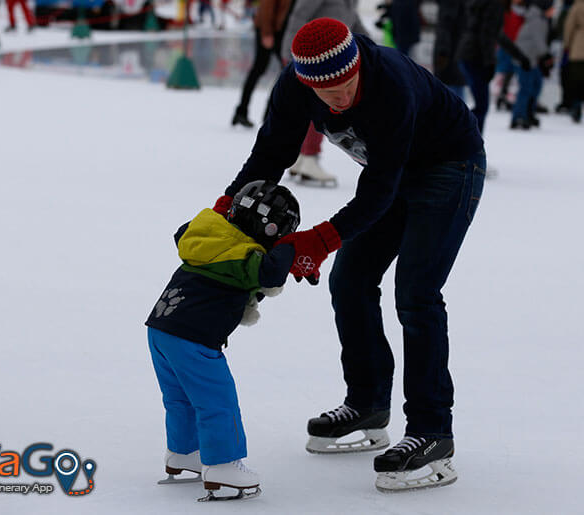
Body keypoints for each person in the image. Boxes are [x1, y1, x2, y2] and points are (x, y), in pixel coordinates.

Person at [211, 18, 485, 492]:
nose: (337, 97)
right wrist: (225, 211)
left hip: (449, 166)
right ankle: (368, 402)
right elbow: (271, 152)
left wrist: (317, 240)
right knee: (350, 281)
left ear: (357, 64)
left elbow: (378, 191)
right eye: (325, 90)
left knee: (417, 293)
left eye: (345, 85)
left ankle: (432, 431)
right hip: (392, 175)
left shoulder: (391, 84)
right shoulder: (298, 84)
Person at [145, 181, 299, 500]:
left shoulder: (214, 239)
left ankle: (184, 451)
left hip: (160, 328)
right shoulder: (242, 255)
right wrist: (293, 247)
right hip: (193, 337)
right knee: (217, 400)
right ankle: (224, 465)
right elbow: (270, 274)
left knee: (179, 397)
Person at [281, 0, 368, 187]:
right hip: (310, 61)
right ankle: (309, 157)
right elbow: (299, 16)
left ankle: (303, 158)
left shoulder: (350, 2)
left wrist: (374, 49)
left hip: (334, 62)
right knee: (321, 110)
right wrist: (290, 53)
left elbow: (353, 23)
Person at [457, 0, 530, 133]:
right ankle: (470, 144)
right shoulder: (494, 4)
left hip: (468, 55)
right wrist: (489, 62)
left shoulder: (486, 4)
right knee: (482, 106)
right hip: (475, 57)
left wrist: (520, 56)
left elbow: (497, 35)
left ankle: (469, 142)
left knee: (481, 105)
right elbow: (486, 34)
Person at [232, 0, 292, 128]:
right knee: (260, 69)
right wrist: (266, 33)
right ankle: (243, 111)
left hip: (280, 30)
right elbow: (266, 6)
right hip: (270, 30)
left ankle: (267, 112)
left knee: (284, 70)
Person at [510, 0, 553, 129]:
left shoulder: (540, 18)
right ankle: (518, 117)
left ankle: (528, 113)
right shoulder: (537, 19)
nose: (553, 11)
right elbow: (538, 39)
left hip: (532, 59)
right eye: (551, 8)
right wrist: (546, 56)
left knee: (536, 85)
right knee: (526, 88)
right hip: (525, 59)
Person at [433, 0, 469, 100]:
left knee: (449, 94)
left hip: (450, 53)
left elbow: (445, 26)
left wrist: (442, 52)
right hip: (458, 50)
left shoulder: (449, 3)